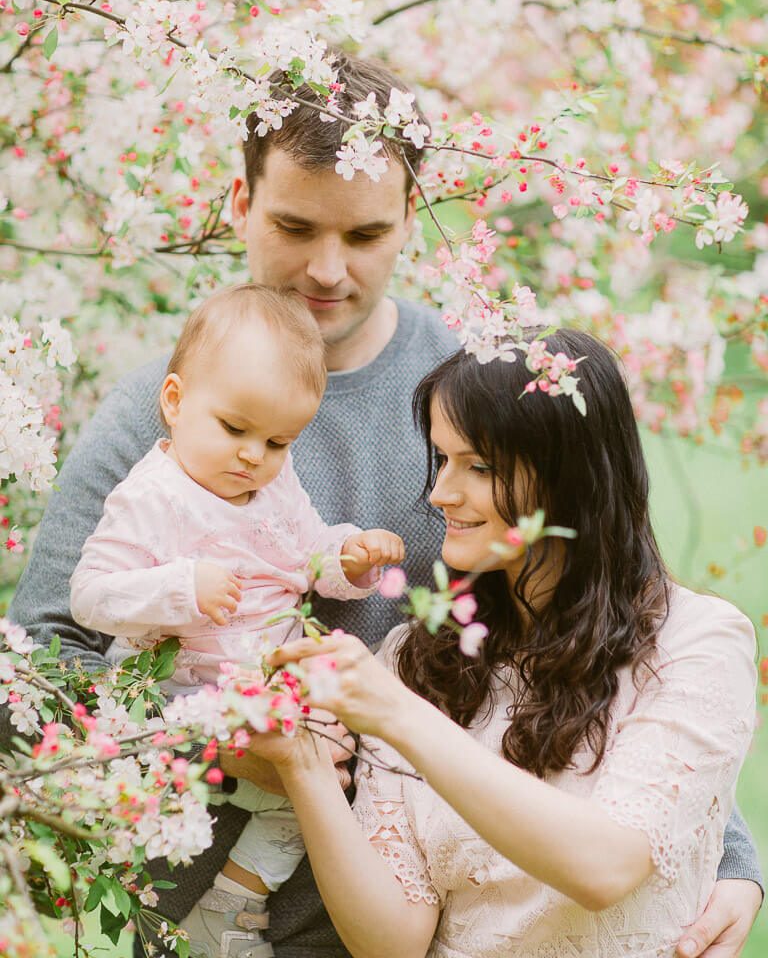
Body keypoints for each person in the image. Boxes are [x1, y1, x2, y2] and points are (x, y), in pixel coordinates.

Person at [3, 54, 762, 958]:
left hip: (441, 907)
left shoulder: (468, 390)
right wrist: (217, 736)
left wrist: (727, 853)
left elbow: (612, 619)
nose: (328, 269)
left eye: (365, 235)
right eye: (294, 226)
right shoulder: (168, 412)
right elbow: (42, 664)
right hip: (222, 915)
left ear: (412, 218)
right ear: (239, 207)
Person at [257, 328, 758, 958]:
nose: (441, 493)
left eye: (479, 466)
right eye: (442, 460)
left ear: (568, 476)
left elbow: (604, 867)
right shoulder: (415, 660)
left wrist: (396, 714)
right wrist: (301, 763)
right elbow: (392, 943)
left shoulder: (698, 642)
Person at [69, 284, 404, 952]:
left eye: (279, 440)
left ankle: (236, 902)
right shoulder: (151, 497)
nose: (255, 455)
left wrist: (349, 556)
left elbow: (304, 556)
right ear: (175, 401)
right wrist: (180, 588)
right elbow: (89, 595)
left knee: (333, 758)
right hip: (182, 691)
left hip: (265, 683)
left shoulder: (271, 482)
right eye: (235, 429)